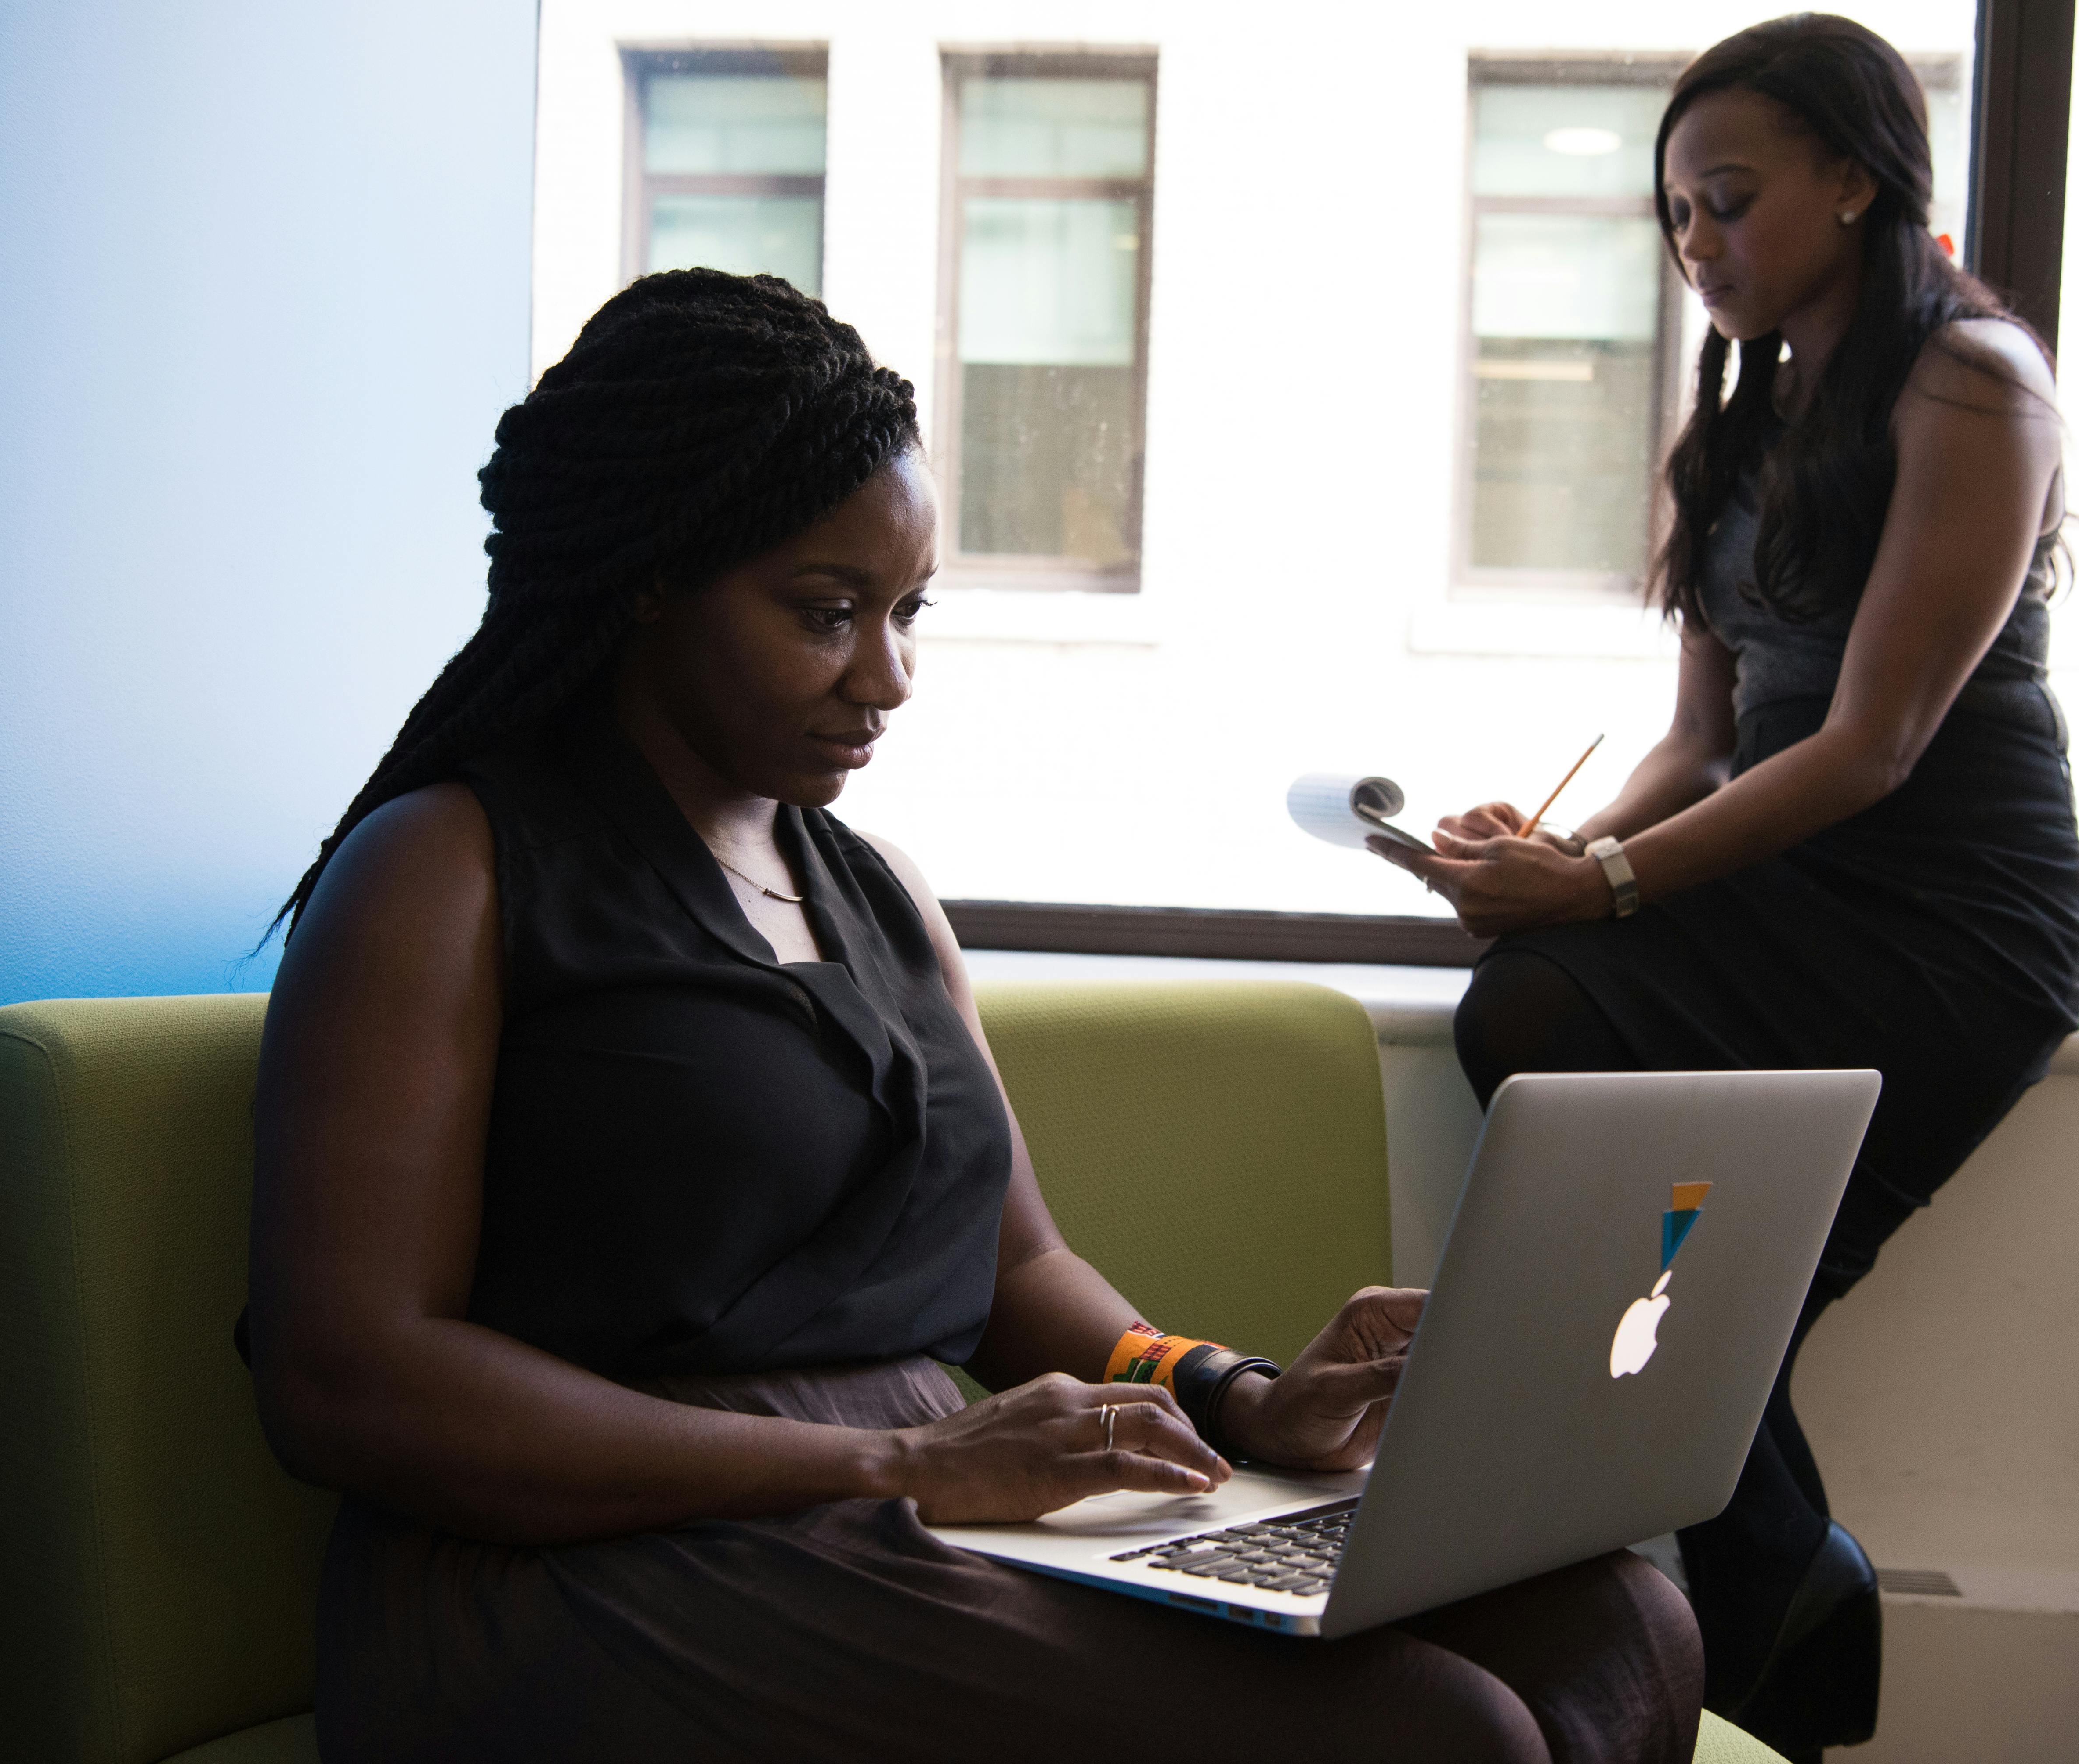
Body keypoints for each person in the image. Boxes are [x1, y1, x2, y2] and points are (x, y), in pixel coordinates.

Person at [243, 268, 1700, 1764]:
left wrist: (1236, 1394)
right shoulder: (448, 868)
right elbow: (350, 1375)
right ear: (649, 576)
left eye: (907, 611)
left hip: (918, 1499)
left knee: (1617, 1627)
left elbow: (1023, 1269)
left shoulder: (880, 895)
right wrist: (898, 1457)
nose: (888, 678)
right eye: (825, 614)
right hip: (588, 1561)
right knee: (1434, 1737)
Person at [1381, 16, 2079, 1763]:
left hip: (1950, 917)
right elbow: (1699, 738)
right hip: (1781, 885)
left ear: (1854, 180)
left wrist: (1597, 880)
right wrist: (1544, 864)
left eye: (1728, 203)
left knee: (1663, 1237)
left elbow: (1871, 742)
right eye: (1676, 217)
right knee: (1535, 1019)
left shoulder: (1974, 384)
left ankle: (1754, 1587)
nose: (1698, 246)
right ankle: (1779, 1583)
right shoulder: (1742, 417)